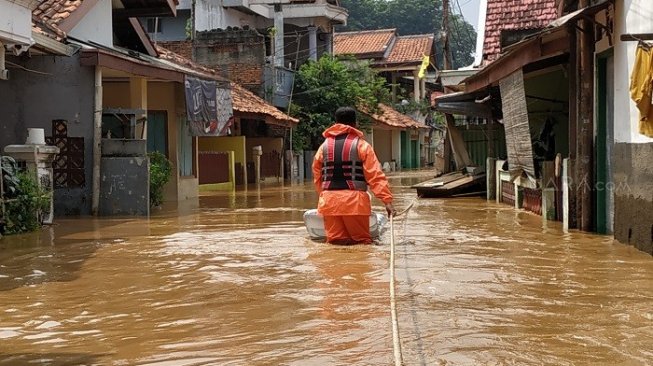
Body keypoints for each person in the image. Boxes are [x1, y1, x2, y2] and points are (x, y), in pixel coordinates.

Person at [312, 107, 395, 245]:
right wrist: (387, 202)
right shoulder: (362, 146)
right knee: (362, 244)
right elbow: (375, 176)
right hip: (355, 203)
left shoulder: (323, 147)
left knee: (335, 244)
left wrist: (325, 197)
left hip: (329, 202)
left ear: (336, 123)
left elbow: (317, 176)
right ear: (355, 123)